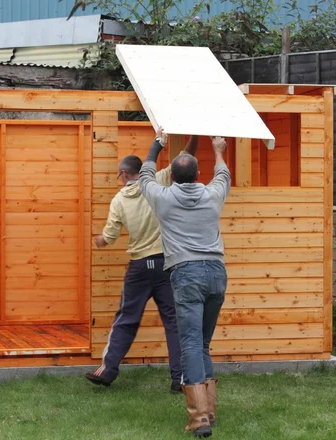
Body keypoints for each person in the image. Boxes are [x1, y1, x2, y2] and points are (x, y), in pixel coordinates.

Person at [85, 134, 199, 394]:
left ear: (124, 173)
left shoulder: (118, 200)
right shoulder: (158, 181)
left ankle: (107, 370)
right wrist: (194, 134)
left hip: (139, 268)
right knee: (174, 322)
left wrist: (99, 240)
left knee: (126, 319)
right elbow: (186, 158)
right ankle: (179, 380)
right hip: (166, 265)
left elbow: (110, 237)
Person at [139, 127, 230, 438]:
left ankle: (199, 418)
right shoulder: (213, 194)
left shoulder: (162, 198)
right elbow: (224, 173)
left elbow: (145, 175)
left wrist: (157, 144)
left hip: (187, 274)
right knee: (202, 344)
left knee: (190, 344)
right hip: (217, 274)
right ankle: (210, 410)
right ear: (198, 173)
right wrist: (218, 149)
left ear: (173, 178)